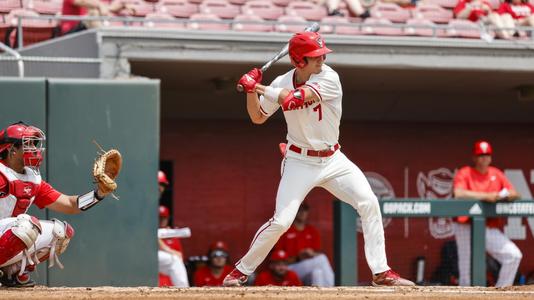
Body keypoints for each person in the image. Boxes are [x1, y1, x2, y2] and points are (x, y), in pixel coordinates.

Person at [224, 32, 414, 287]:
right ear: (298, 61)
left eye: (322, 54)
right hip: (299, 161)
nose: (322, 59)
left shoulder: (329, 77)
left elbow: (293, 100)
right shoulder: (281, 81)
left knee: (368, 202)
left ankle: (381, 271)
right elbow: (257, 117)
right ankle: (240, 271)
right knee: (281, 221)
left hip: (333, 159)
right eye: (315, 57)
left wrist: (256, 86)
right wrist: (250, 92)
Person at [0, 121, 115, 287]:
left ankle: (12, 273)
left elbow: (69, 204)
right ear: (12, 150)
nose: (34, 149)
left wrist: (99, 194)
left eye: (34, 144)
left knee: (60, 233)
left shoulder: (33, 179)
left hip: (6, 232)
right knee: (26, 225)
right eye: (28, 144)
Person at [453, 140, 522, 287]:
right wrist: (486, 196)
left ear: (490, 157)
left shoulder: (496, 173)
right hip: (466, 226)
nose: (484, 158)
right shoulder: (465, 172)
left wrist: (508, 195)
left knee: (514, 255)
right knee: (466, 271)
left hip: (488, 227)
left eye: (487, 155)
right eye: (481, 155)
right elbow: (458, 193)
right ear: (474, 158)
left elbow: (515, 193)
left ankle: (501, 292)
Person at [275, 202, 334, 287]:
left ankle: (320, 296)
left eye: (304, 210)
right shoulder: (284, 231)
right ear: (294, 211)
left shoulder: (312, 231)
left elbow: (317, 254)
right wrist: (298, 257)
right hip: (290, 269)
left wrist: (311, 254)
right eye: (299, 210)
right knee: (322, 259)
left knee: (317, 272)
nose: (302, 213)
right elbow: (276, 260)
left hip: (307, 269)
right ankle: (332, 291)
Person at [158, 204, 189, 287]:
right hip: (152, 274)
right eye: (159, 218)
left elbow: (179, 256)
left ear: (168, 218)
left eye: (163, 218)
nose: (161, 220)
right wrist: (168, 249)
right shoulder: (147, 231)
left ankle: (184, 293)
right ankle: (184, 292)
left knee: (176, 262)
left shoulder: (172, 235)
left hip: (168, 276)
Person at [60, 0, 134, 35]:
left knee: (95, 12)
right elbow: (84, 2)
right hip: (71, 31)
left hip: (85, 28)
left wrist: (122, 6)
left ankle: (106, 35)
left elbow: (104, 9)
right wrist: (101, 5)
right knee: (93, 12)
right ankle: (103, 37)